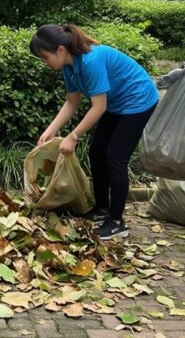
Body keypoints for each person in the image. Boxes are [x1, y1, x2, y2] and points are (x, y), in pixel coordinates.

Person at [30, 24, 159, 240]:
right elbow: (72, 102)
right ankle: (101, 209)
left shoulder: (91, 61)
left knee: (115, 158)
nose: (45, 63)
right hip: (115, 103)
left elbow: (99, 107)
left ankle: (116, 222)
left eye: (45, 57)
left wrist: (73, 136)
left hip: (138, 100)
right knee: (97, 152)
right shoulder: (68, 66)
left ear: (60, 50)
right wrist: (50, 130)